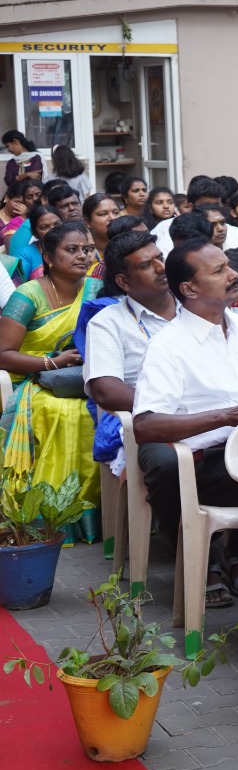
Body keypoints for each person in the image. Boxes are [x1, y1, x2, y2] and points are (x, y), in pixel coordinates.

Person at [132, 239, 238, 606]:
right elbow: (145, 426)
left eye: (229, 266)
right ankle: (208, 556)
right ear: (189, 289)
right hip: (206, 460)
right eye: (219, 271)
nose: (233, 275)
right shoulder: (169, 345)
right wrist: (226, 417)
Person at [0, 220, 102, 542]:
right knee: (66, 415)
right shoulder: (27, 295)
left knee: (103, 412)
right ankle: (53, 515)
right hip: (33, 381)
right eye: (71, 250)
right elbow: (3, 354)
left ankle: (102, 512)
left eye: (86, 249)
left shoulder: (97, 290)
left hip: (85, 377)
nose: (82, 256)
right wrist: (52, 362)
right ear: (48, 256)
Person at [84, 232, 176, 477]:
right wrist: (173, 407)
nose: (161, 268)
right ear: (124, 282)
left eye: (160, 258)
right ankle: (171, 516)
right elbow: (106, 390)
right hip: (150, 420)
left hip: (212, 410)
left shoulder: (194, 306)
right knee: (168, 461)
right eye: (147, 265)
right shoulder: (108, 322)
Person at [81, 192, 119, 278]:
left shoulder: (128, 247)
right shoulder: (83, 254)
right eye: (103, 214)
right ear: (87, 221)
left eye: (116, 213)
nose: (112, 218)